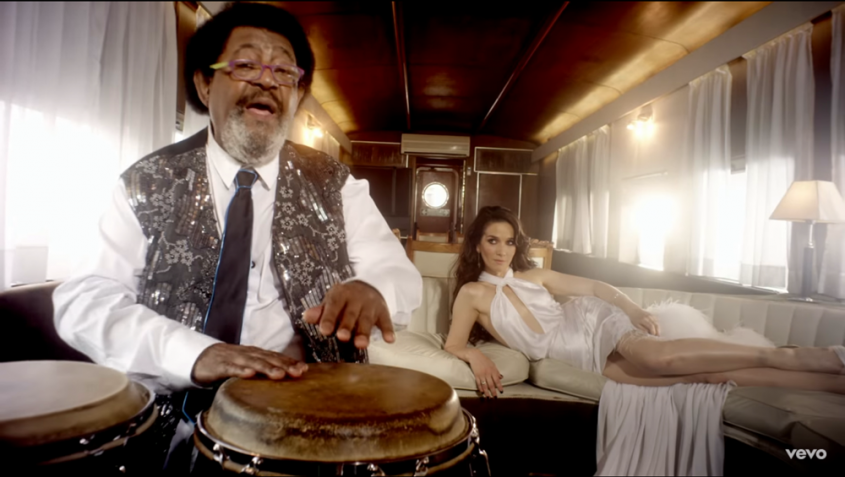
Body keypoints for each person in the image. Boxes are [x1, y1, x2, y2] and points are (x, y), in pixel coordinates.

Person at [52, 2, 422, 471]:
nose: (267, 80)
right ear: (205, 84)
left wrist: (373, 288)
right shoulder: (146, 183)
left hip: (322, 425)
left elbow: (398, 273)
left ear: (297, 95)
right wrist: (197, 353)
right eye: (246, 64)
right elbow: (85, 300)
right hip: (175, 428)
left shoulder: (335, 183)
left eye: (284, 71)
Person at [444, 206, 845, 398]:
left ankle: (800, 356)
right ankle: (832, 384)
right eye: (493, 241)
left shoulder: (535, 276)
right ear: (477, 245)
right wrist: (476, 357)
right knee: (702, 380)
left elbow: (596, 288)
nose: (502, 250)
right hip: (576, 357)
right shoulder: (472, 294)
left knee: (661, 359)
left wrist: (633, 310)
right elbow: (453, 344)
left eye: (509, 241)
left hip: (590, 323)